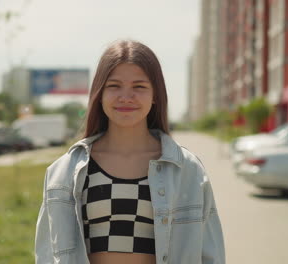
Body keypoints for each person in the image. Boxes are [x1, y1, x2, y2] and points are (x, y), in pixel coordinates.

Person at [35, 40, 225, 264]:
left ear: (155, 95)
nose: (126, 97)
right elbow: (47, 254)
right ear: (100, 94)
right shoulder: (64, 171)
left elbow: (210, 254)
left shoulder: (188, 169)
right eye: (114, 86)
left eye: (139, 87)